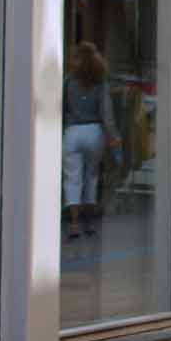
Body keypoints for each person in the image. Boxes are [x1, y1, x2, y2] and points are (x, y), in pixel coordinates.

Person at [62, 41, 121, 241]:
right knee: (91, 177)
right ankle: (89, 221)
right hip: (94, 131)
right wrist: (112, 135)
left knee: (72, 178)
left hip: (72, 132)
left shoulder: (68, 81)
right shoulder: (100, 82)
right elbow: (106, 112)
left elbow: (61, 108)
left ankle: (74, 224)